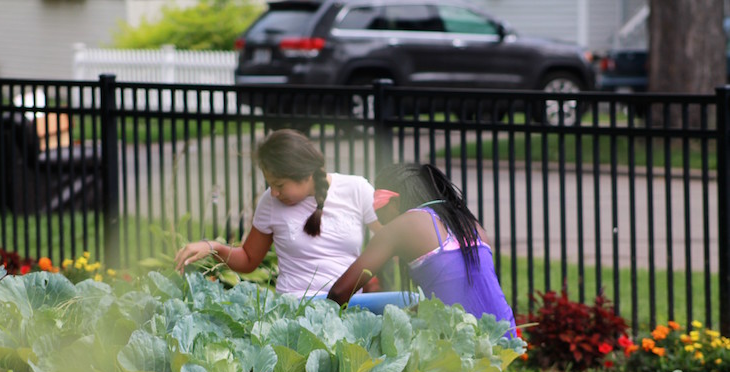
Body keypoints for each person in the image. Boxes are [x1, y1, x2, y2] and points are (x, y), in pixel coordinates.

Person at [175, 129, 382, 297]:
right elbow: (248, 259)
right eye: (270, 184)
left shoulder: (357, 189)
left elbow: (390, 237)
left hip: (348, 306)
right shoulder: (270, 202)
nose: (273, 192)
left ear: (306, 174)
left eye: (279, 185)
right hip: (293, 310)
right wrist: (213, 247)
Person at [327, 163, 516, 328]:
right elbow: (461, 293)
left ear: (394, 201)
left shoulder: (401, 226)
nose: (377, 217)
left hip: (460, 341)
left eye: (377, 206)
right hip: (502, 333)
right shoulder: (469, 223)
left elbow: (339, 292)